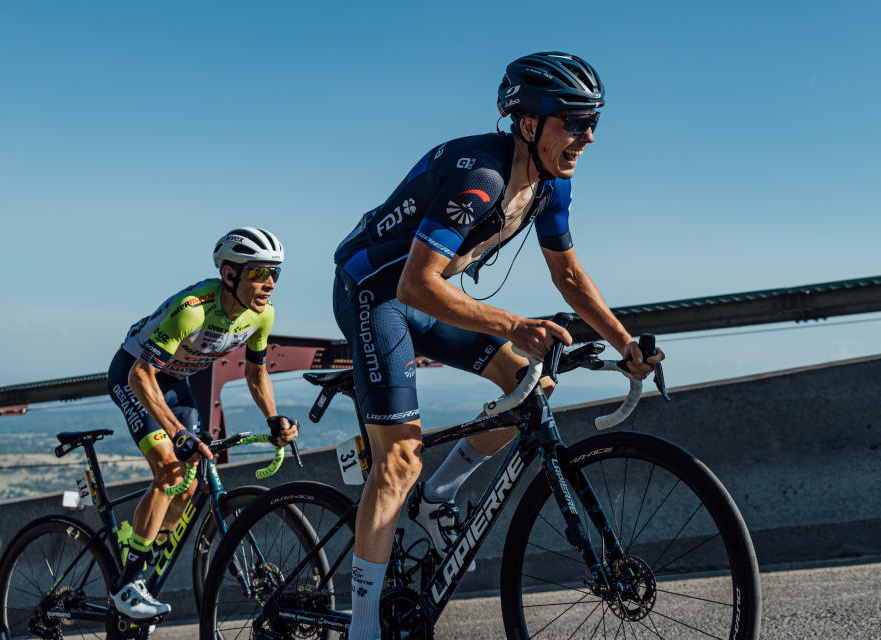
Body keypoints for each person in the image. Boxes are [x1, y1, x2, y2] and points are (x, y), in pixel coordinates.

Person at [331, 52, 665, 639]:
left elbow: (569, 277)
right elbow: (413, 282)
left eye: (594, 122)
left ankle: (441, 493)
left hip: (426, 295)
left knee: (530, 388)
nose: (587, 137)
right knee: (399, 459)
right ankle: (362, 628)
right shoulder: (480, 176)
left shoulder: (549, 184)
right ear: (529, 123)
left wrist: (625, 342)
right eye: (575, 122)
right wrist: (512, 324)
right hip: (374, 294)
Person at [106, 227, 299, 619]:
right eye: (261, 273)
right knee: (170, 467)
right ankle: (127, 584)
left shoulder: (262, 316)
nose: (271, 285)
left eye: (276, 274)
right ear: (230, 275)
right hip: (135, 373)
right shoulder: (193, 308)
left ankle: (146, 548)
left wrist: (273, 417)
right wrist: (177, 434)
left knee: (190, 482)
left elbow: (256, 372)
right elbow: (141, 377)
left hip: (176, 382)